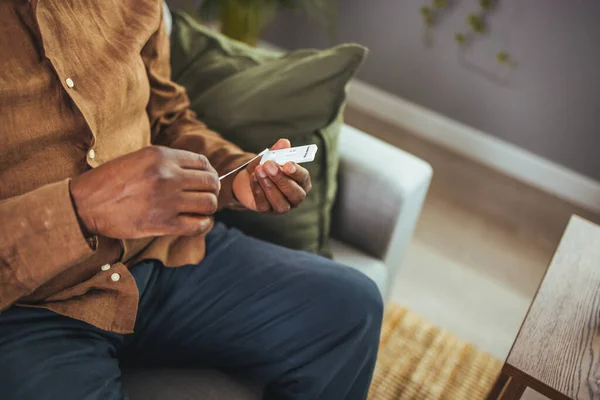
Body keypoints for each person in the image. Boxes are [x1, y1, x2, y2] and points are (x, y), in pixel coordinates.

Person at [0, 1, 383, 399]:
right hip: (26, 306)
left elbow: (168, 118)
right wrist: (80, 209)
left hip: (161, 254)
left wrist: (237, 175)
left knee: (351, 307)